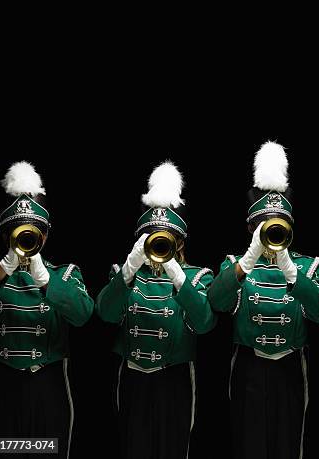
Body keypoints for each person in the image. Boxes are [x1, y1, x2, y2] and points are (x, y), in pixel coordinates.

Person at [207, 141, 319, 459]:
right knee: (248, 444)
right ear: (251, 228)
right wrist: (248, 260)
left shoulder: (309, 265)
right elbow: (217, 302)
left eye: (279, 226)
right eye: (265, 226)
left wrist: (290, 269)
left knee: (289, 444)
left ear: (289, 227)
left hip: (290, 366)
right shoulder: (234, 263)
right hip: (248, 365)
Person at [0, 161, 94, 458]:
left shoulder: (65, 274)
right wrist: (4, 268)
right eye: (17, 231)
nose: (25, 237)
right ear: (5, 235)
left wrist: (45, 279)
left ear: (45, 236)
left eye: (34, 232)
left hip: (48, 388)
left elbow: (83, 314)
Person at [96, 160, 216, 459]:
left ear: (179, 243)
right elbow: (106, 313)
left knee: (174, 449)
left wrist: (177, 274)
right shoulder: (123, 274)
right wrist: (130, 266)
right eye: (152, 237)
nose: (159, 243)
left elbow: (204, 323)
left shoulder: (199, 276)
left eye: (166, 239)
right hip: (133, 379)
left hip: (174, 380)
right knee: (132, 447)